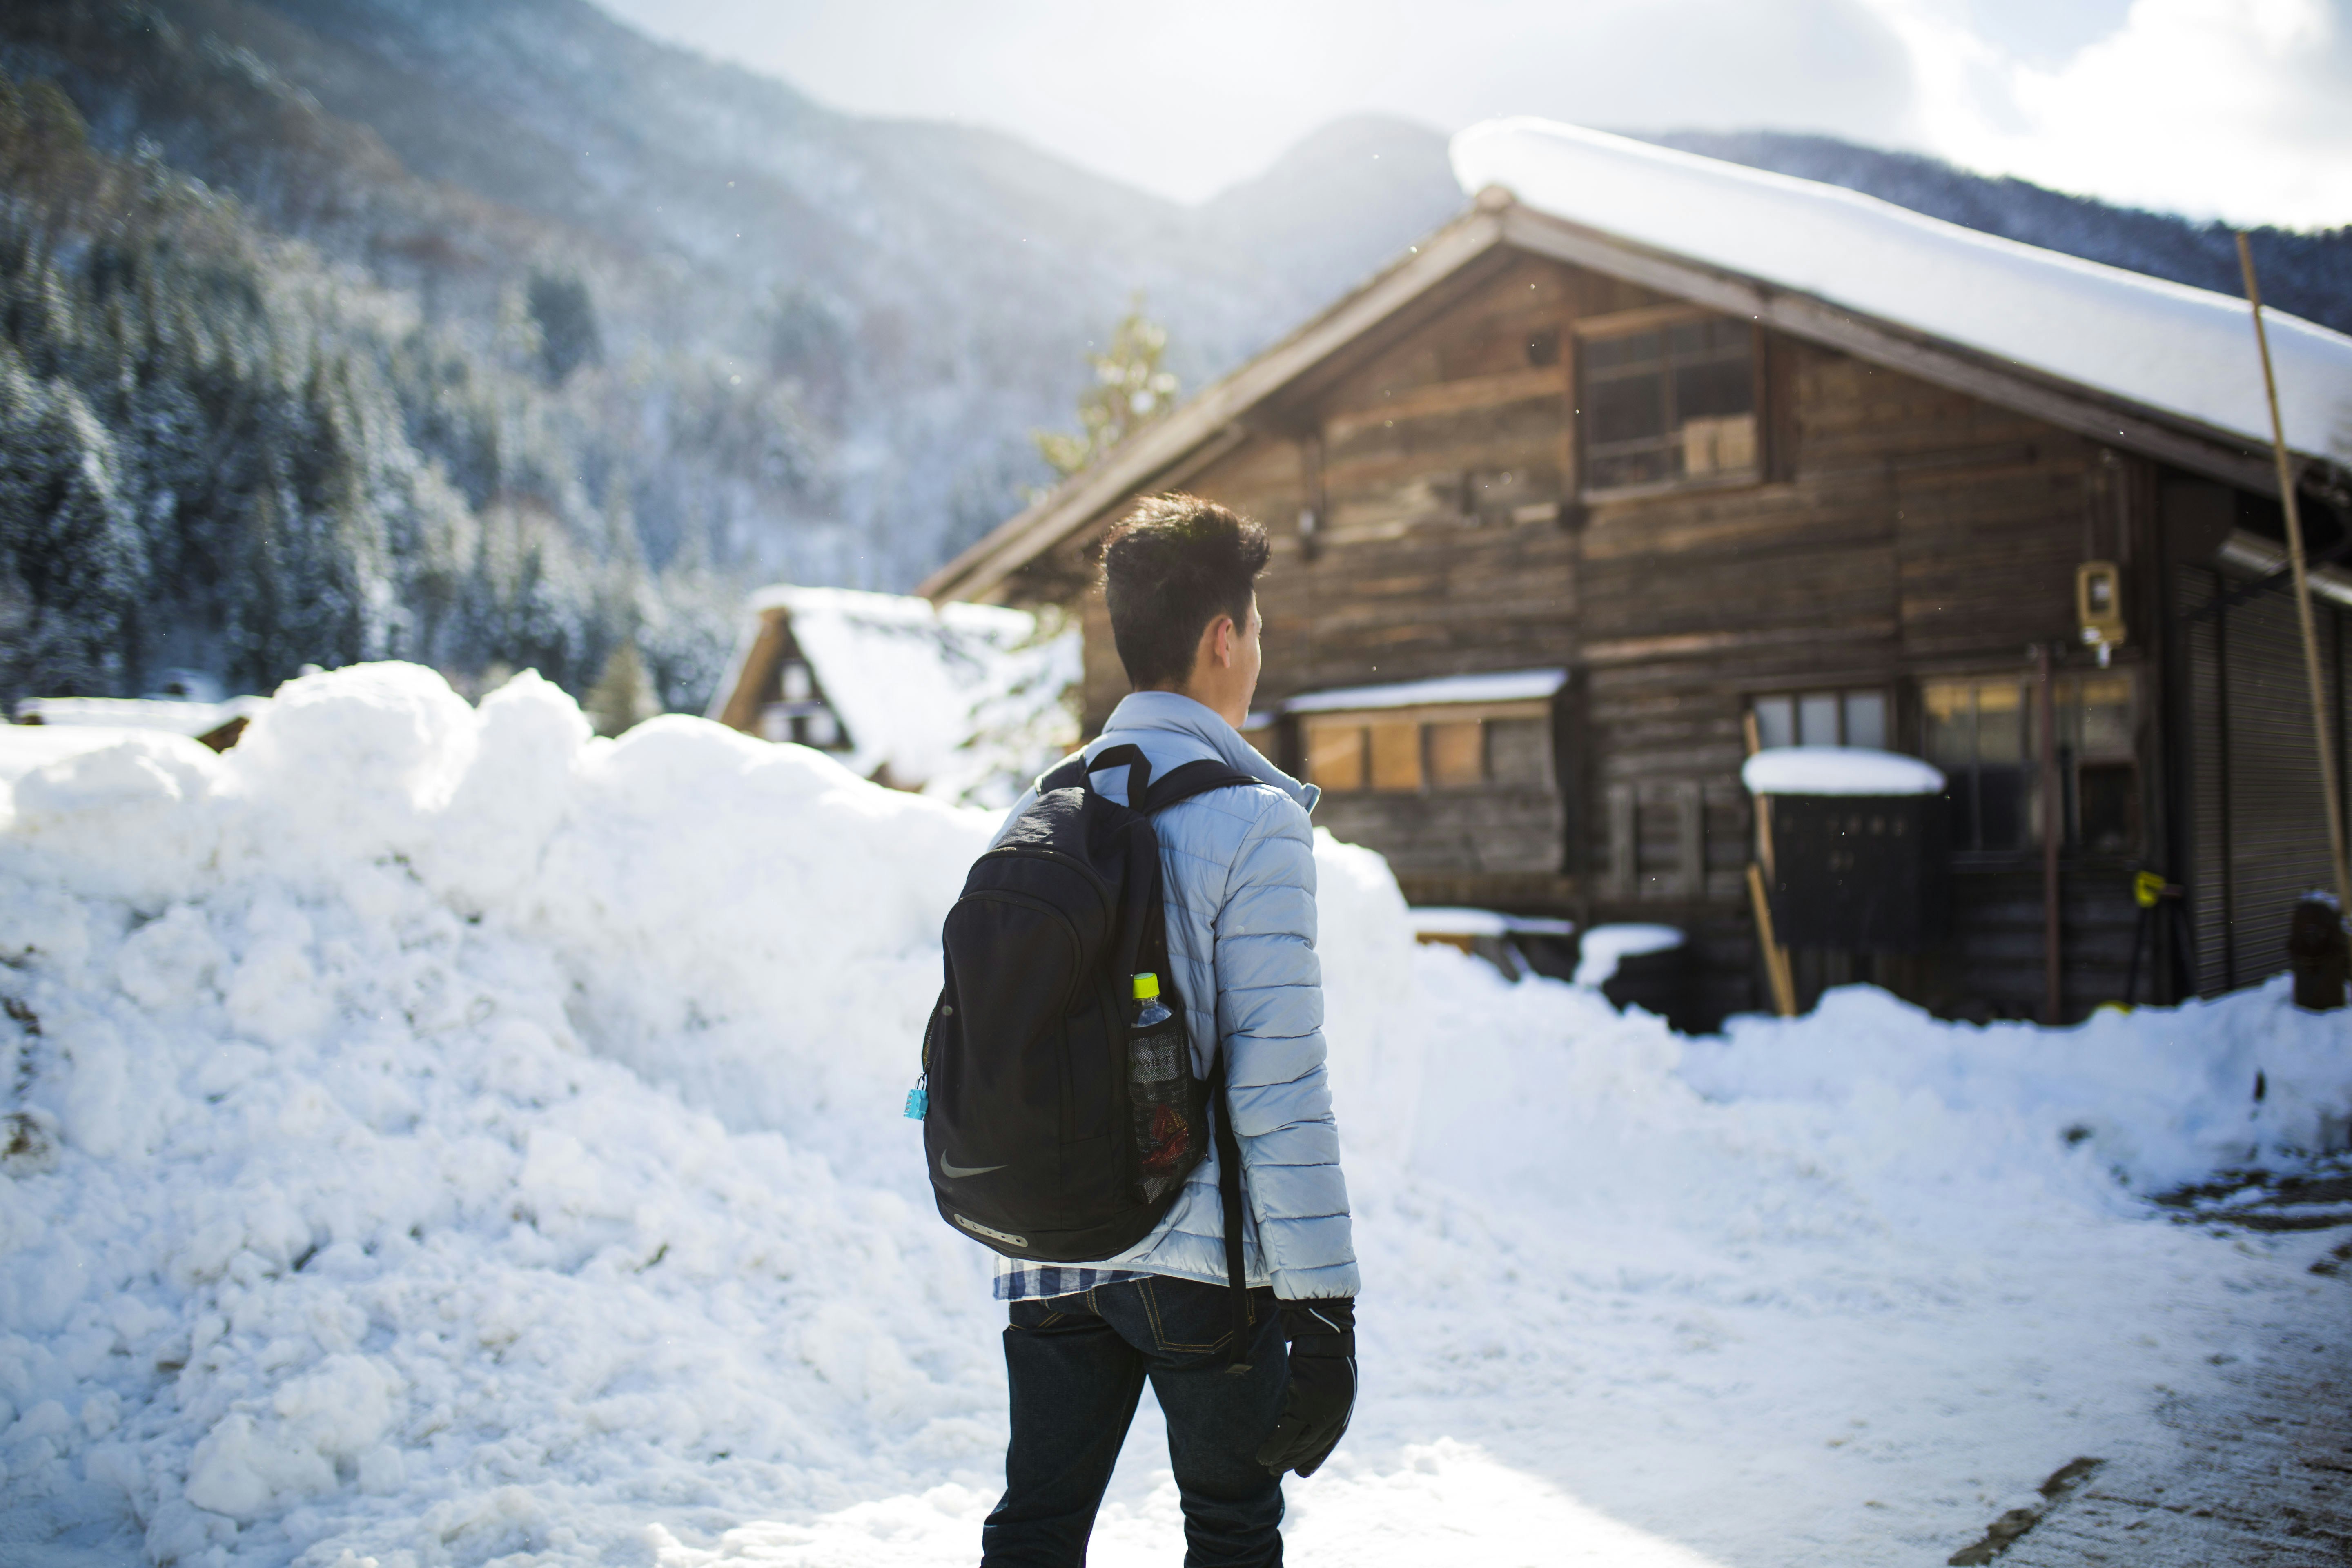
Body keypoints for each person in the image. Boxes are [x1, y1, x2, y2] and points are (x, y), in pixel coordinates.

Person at [978, 494, 1358, 1568]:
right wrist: (1325, 1313)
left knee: (1036, 1532)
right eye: (1259, 628)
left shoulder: (1043, 809)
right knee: (1233, 1531)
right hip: (1202, 1269)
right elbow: (1278, 1092)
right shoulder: (1255, 822)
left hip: (1048, 1250)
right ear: (1223, 636)